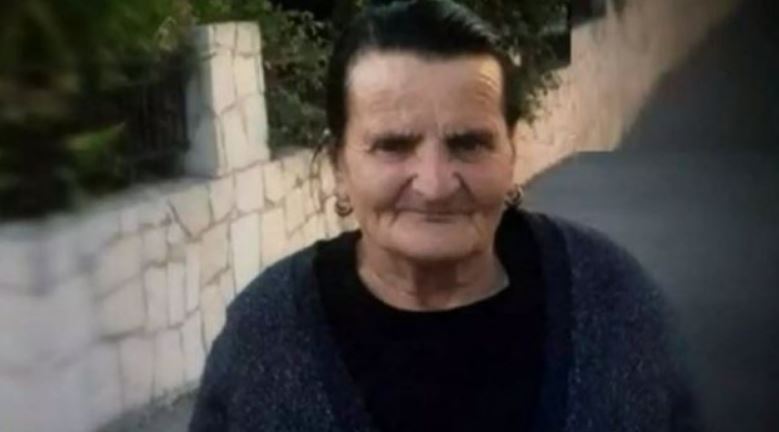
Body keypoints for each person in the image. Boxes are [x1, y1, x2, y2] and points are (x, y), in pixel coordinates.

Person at [189, 1, 697, 431]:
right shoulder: (266, 338)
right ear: (339, 164)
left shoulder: (611, 303)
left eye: (469, 143)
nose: (434, 186)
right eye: (393, 146)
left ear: (512, 150)